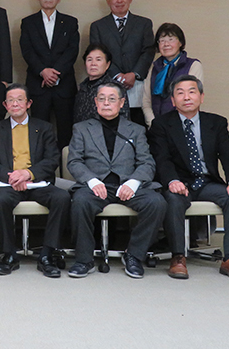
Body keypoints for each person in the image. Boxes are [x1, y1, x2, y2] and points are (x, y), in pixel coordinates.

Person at [149, 75, 229, 281]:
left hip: (207, 182)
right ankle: (178, 257)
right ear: (173, 100)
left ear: (201, 97)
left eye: (192, 92)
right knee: (173, 199)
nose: (186, 97)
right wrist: (172, 181)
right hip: (179, 183)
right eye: (180, 93)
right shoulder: (161, 124)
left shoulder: (217, 122)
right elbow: (161, 158)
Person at [67, 83, 166, 279]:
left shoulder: (135, 130)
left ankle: (134, 255)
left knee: (157, 203)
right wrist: (92, 181)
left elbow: (147, 162)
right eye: (101, 99)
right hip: (96, 186)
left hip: (128, 186)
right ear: (95, 102)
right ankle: (84, 259)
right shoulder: (81, 129)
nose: (106, 103)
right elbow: (74, 161)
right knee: (80, 201)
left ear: (121, 103)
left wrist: (133, 183)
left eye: (112, 99)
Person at [0, 84, 70, 278]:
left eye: (20, 100)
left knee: (62, 198)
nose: (15, 104)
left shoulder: (44, 128)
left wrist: (28, 174)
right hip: (8, 182)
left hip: (36, 182)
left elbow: (52, 159)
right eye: (11, 100)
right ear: (5, 105)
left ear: (29, 103)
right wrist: (13, 176)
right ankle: (9, 254)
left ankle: (47, 254)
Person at [19, 0, 80, 149]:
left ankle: (65, 165)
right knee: (38, 132)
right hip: (38, 85)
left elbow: (72, 51)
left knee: (66, 131)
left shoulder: (70, 22)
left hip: (64, 85)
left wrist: (56, 72)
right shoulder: (28, 22)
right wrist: (43, 71)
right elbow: (27, 51)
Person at [89, 0, 156, 126]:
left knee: (138, 126)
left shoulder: (144, 23)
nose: (119, 0)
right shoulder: (97, 26)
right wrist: (117, 75)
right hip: (109, 84)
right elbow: (98, 55)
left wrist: (134, 74)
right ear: (108, 1)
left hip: (138, 85)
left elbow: (149, 50)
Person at [142, 23, 203, 127]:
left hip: (182, 127)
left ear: (180, 42)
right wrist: (153, 124)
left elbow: (192, 100)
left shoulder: (193, 65)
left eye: (171, 39)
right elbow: (146, 100)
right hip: (156, 127)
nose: (166, 44)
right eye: (162, 40)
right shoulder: (154, 67)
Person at [73, 43, 129, 123]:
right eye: (89, 59)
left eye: (98, 59)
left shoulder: (115, 88)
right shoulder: (82, 87)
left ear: (107, 64)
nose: (93, 64)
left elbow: (123, 120)